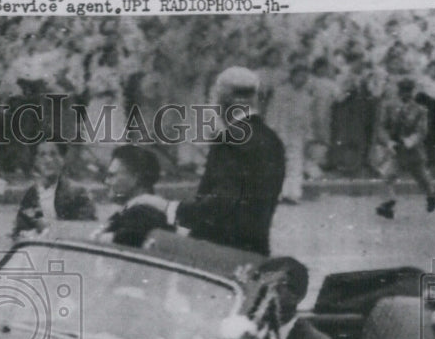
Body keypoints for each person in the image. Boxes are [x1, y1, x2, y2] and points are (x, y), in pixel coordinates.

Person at [124, 67, 285, 256]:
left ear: (222, 98)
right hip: (255, 248)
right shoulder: (272, 139)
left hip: (222, 251)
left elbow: (220, 205)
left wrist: (166, 207)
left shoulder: (229, 140)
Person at [222, 256, 341, 339]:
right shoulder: (243, 332)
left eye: (275, 289)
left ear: (298, 296)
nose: (262, 298)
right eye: (260, 289)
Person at [374, 78, 435, 219]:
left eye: (408, 92)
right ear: (398, 92)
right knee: (387, 177)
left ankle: (431, 196)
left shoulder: (420, 110)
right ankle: (389, 203)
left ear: (413, 93)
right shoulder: (390, 107)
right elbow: (382, 127)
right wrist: (388, 142)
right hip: (397, 151)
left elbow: (422, 131)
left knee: (422, 178)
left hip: (413, 151)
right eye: (403, 91)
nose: (405, 95)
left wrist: (410, 141)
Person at [94, 145, 164, 247]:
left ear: (136, 178)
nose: (107, 181)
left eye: (112, 175)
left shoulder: (143, 214)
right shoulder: (135, 212)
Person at [266, 62, 313, 204]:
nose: (302, 79)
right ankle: (278, 192)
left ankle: (293, 193)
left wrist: (308, 133)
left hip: (297, 131)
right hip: (282, 129)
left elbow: (307, 116)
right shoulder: (281, 92)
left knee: (296, 162)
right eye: (299, 76)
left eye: (305, 77)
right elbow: (273, 113)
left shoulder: (306, 96)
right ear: (292, 76)